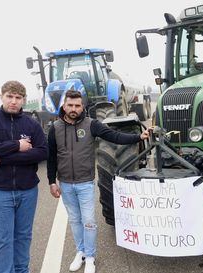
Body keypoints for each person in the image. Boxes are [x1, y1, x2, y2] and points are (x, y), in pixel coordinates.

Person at [47, 90, 150, 273]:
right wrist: (51, 181)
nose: (73, 109)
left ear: (82, 107)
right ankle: (81, 252)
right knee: (75, 220)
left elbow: (114, 137)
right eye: (70, 105)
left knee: (88, 221)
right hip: (65, 183)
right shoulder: (55, 128)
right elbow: (51, 157)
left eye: (77, 105)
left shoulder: (91, 125)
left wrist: (138, 137)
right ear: (64, 106)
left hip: (84, 183)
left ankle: (91, 257)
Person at [0, 80, 48, 273]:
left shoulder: (31, 124)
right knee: (3, 241)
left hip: (28, 191)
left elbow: (42, 152)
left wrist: (4, 159)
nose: (13, 101)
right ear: (1, 97)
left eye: (18, 97)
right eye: (10, 96)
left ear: (23, 100)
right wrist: (16, 145)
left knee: (23, 237)